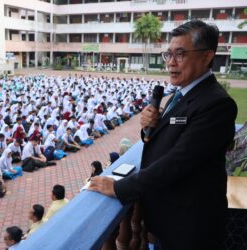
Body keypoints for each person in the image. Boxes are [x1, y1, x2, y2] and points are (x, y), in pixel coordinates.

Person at [89, 20, 238, 250]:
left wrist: (119, 188)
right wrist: (149, 126)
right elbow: (167, 139)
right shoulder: (180, 94)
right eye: (168, 54)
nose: (171, 63)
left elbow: (178, 162)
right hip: (168, 221)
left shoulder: (216, 104)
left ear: (207, 57)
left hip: (190, 228)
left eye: (180, 54)